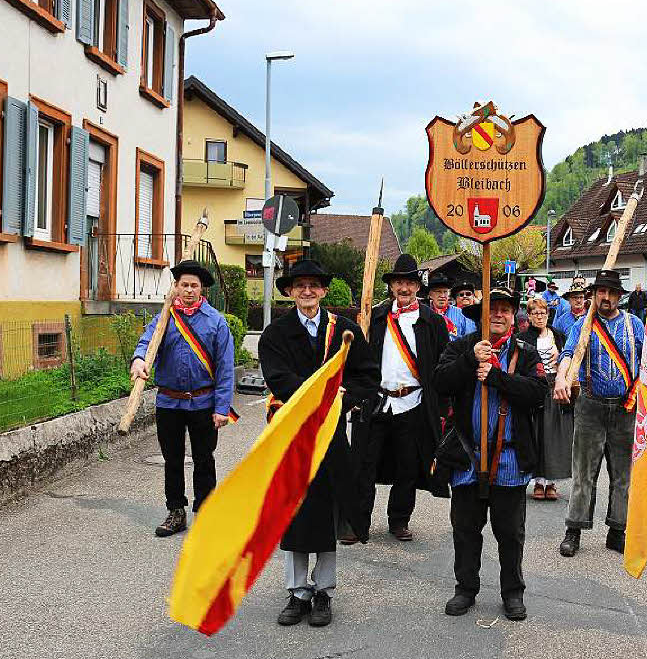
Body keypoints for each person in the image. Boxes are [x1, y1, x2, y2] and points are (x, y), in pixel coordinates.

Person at [258, 260, 378, 628]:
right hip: (293, 435)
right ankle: (297, 594)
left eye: (313, 285)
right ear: (290, 292)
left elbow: (366, 376)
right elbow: (280, 379)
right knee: (294, 515)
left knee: (326, 514)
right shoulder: (275, 334)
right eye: (299, 286)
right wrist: (323, 393)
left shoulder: (345, 330)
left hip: (331, 437)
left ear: (324, 291)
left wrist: (347, 397)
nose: (306, 291)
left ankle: (323, 592)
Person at [433, 287, 547, 621]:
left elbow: (538, 393)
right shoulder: (459, 348)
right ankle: (465, 589)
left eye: (504, 310)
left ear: (514, 317)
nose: (498, 314)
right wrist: (471, 361)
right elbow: (440, 382)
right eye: (491, 310)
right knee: (465, 530)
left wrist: (497, 377)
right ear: (480, 317)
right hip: (468, 459)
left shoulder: (526, 354)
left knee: (511, 534)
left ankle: (513, 592)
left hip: (510, 460)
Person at [131, 260, 235, 538]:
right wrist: (139, 359)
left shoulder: (216, 322)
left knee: (204, 458)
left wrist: (221, 408)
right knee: (172, 460)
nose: (188, 290)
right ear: (175, 288)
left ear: (203, 291)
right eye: (184, 285)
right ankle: (176, 511)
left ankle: (206, 511)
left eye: (194, 286)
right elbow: (146, 341)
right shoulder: (164, 318)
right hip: (169, 402)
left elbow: (225, 368)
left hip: (204, 402)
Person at [351, 254, 450, 542]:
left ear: (418, 287)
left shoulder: (432, 322)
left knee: (408, 466)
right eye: (398, 282)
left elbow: (443, 365)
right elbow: (359, 360)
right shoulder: (376, 317)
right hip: (377, 401)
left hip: (414, 403)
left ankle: (399, 521)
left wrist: (443, 407)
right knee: (365, 464)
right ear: (392, 286)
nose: (404, 288)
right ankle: (358, 523)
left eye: (409, 282)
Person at [553, 270, 646, 557]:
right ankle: (574, 530)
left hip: (625, 408)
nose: (605, 298)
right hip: (590, 407)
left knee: (622, 475)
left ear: (620, 296)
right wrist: (561, 378)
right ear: (594, 295)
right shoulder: (583, 324)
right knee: (583, 473)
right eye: (601, 292)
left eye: (611, 292)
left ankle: (618, 531)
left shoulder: (635, 324)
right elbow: (568, 354)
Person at [518, 297, 572, 501]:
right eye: (535, 313)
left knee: (554, 435)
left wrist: (561, 360)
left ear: (548, 315)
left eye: (543, 313)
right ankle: (538, 482)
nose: (539, 316)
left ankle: (552, 482)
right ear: (529, 316)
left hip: (555, 387)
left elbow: (571, 358)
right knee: (537, 434)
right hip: (535, 387)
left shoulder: (559, 336)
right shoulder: (523, 338)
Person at [426, 271, 475, 342]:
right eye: (438, 292)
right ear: (430, 295)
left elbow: (470, 339)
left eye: (445, 292)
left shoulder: (462, 314)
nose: (442, 296)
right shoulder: (424, 313)